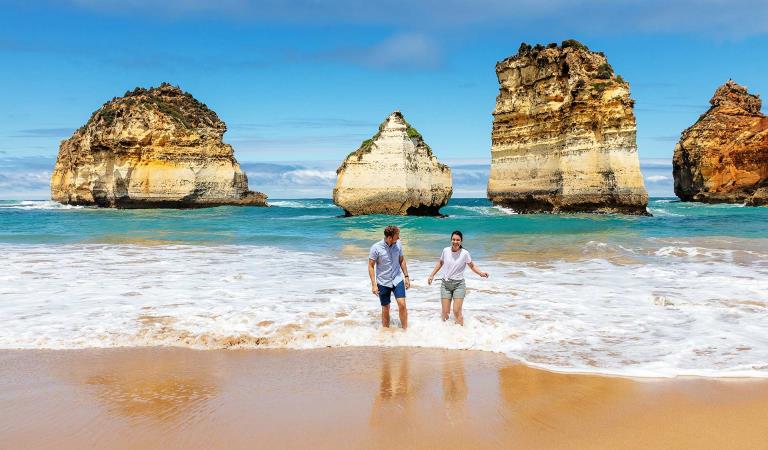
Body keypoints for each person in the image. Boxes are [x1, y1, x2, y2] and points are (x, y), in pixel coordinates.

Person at [427, 230, 488, 326]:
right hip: (445, 285)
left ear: (461, 241)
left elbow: (472, 265)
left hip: (459, 285)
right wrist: (432, 275)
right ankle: (445, 333)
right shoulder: (445, 250)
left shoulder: (464, 253)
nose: (455, 242)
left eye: (458, 240)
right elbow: (440, 262)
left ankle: (461, 333)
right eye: (453, 239)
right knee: (445, 312)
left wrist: (480, 273)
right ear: (451, 240)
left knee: (456, 311)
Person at [369, 225, 410, 329]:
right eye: (397, 236)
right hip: (383, 281)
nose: (399, 238)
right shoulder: (376, 248)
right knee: (386, 308)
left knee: (402, 304)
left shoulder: (398, 245)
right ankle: (386, 332)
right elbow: (370, 266)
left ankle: (406, 330)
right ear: (389, 237)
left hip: (397, 279)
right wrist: (374, 285)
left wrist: (406, 276)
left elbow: (401, 260)